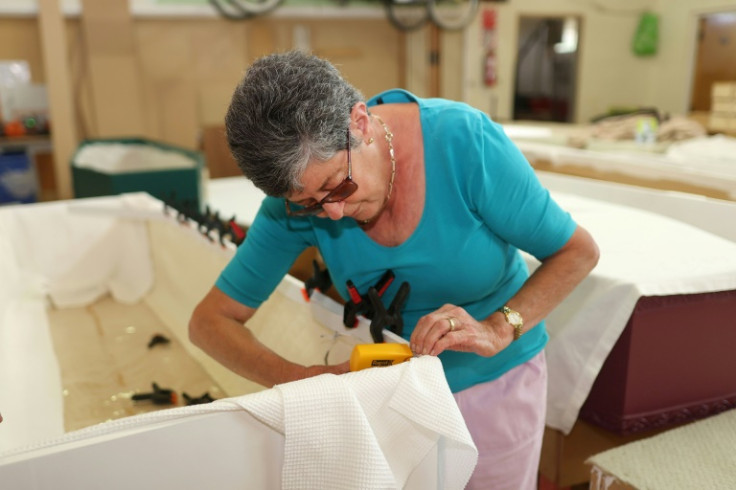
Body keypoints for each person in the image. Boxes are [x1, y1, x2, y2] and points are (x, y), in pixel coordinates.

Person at [189, 50, 599, 489]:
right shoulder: (295, 206)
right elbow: (210, 322)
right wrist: (301, 380)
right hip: (392, 398)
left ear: (360, 123)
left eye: (337, 186)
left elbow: (577, 252)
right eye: (309, 204)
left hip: (495, 388)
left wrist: (497, 328)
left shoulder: (464, 143)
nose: (335, 212)